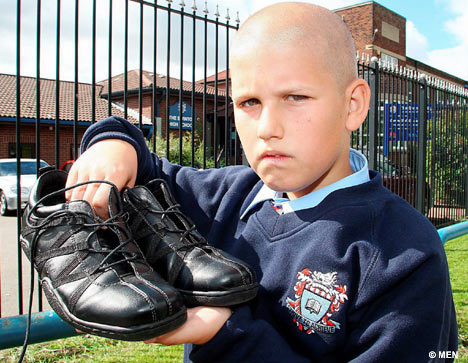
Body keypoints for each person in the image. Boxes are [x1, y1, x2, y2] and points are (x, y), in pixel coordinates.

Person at [65, 2, 458, 362]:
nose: (268, 128)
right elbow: (147, 168)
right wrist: (112, 143)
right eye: (249, 103)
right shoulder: (224, 196)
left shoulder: (405, 253)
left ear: (352, 104)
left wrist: (224, 335)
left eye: (296, 97)